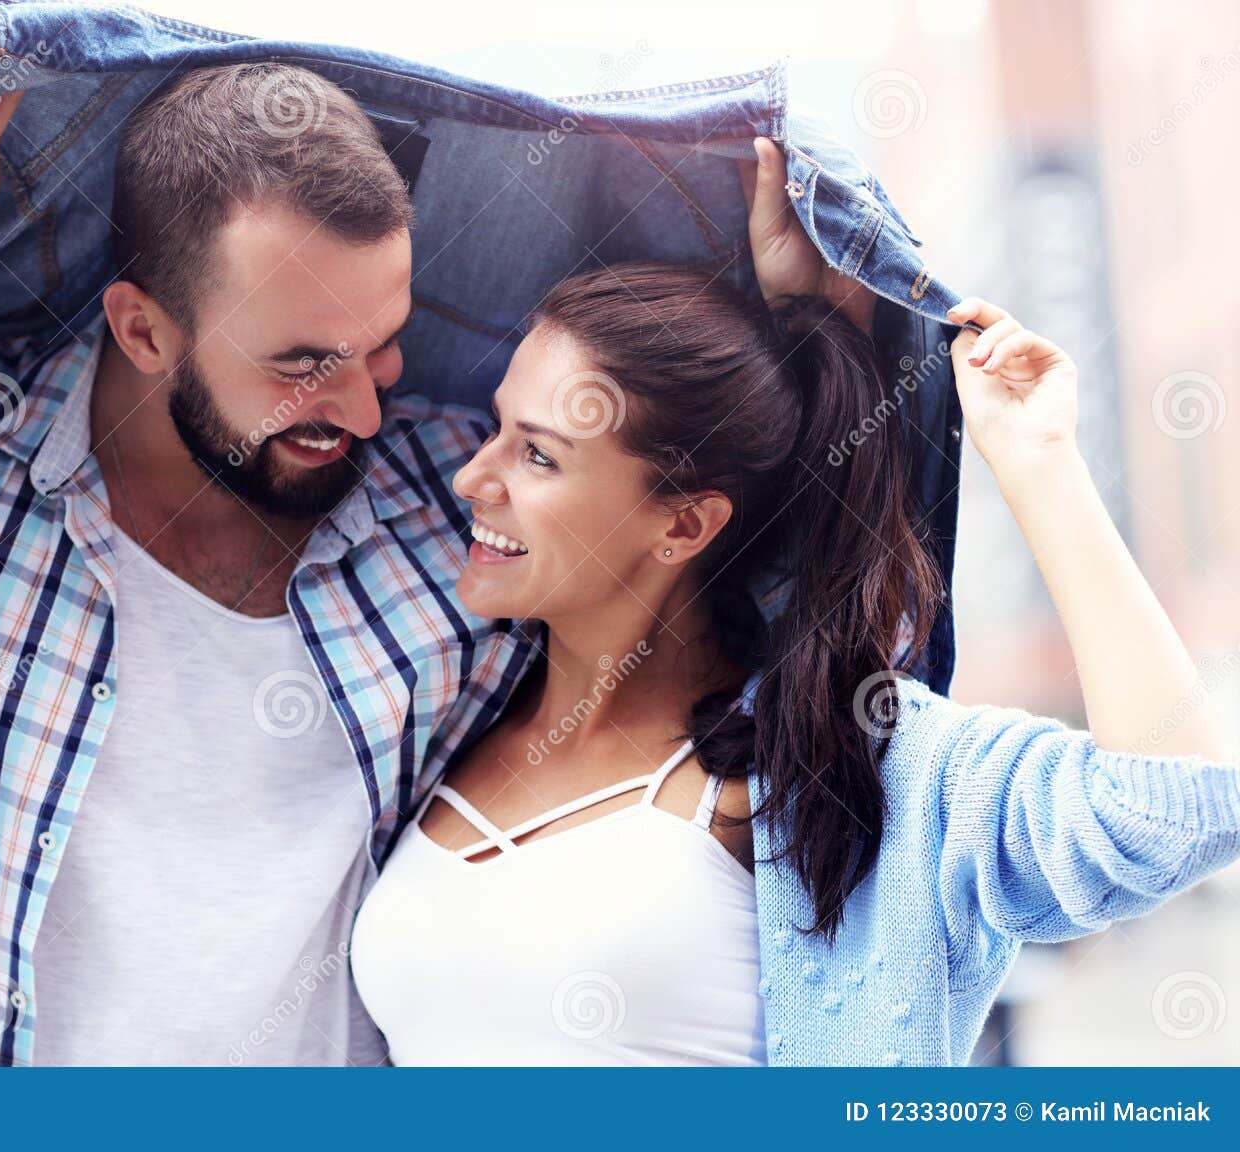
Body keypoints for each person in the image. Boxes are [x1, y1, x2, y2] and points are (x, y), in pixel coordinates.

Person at [0, 61, 545, 1067]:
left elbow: (713, 608)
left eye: (380, 346)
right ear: (143, 328)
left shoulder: (465, 501)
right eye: (303, 364)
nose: (367, 409)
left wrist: (764, 315)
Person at [347, 194, 1240, 1065]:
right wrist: (795, 324)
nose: (473, 477)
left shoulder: (834, 759)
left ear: (685, 525)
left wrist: (1041, 463)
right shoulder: (438, 708)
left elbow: (1166, 811)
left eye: (537, 453)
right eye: (501, 428)